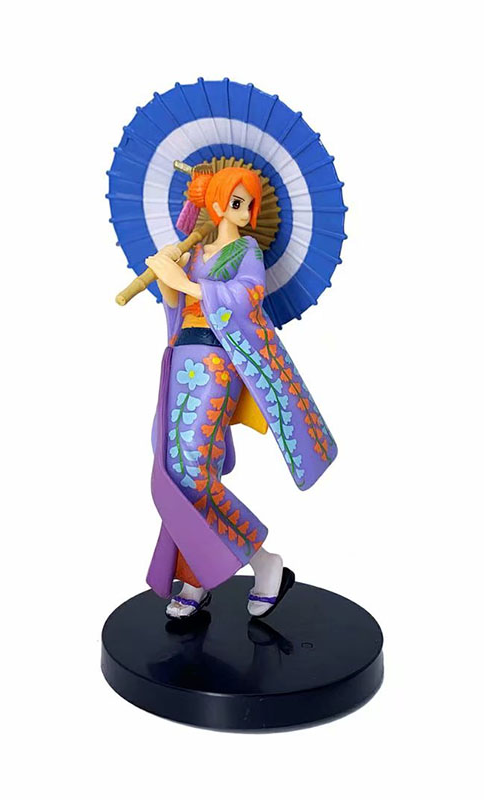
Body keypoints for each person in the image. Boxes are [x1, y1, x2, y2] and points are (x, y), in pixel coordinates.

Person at [144, 167, 337, 619]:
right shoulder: (194, 250)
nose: (245, 211)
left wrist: (185, 282)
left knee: (194, 471)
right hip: (182, 358)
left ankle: (262, 561)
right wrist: (166, 276)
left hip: (216, 362)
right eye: (236, 202)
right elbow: (177, 309)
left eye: (248, 204)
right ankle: (197, 578)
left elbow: (247, 298)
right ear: (214, 203)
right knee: (175, 468)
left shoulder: (247, 251)